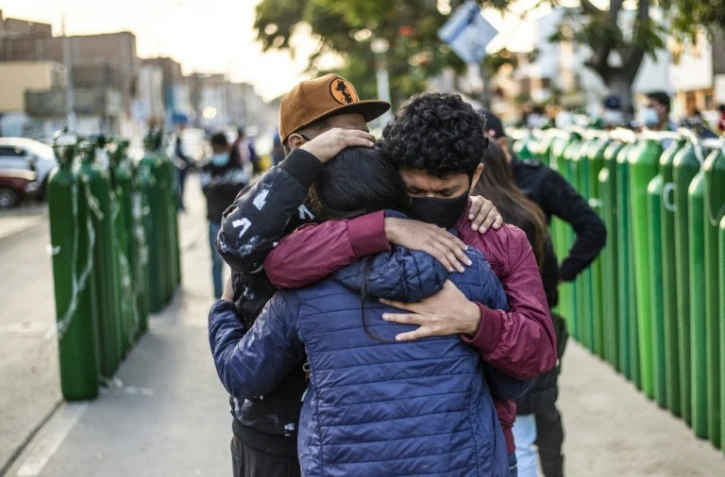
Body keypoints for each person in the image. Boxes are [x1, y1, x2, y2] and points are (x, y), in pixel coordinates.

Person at [212, 75, 503, 477]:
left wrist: (469, 202)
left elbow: (432, 197)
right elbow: (237, 243)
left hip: (347, 436)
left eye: (364, 133)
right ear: (301, 147)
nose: (363, 144)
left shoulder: (375, 194)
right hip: (275, 430)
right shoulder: (271, 201)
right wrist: (371, 225)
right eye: (342, 137)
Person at [257, 93, 559, 477]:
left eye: (446, 192)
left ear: (476, 177)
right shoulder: (361, 220)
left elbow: (539, 352)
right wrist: (380, 228)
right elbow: (282, 263)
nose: (430, 202)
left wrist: (475, 321)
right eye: (415, 191)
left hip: (479, 453)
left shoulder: (499, 240)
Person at [480, 110, 607, 477]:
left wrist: (559, 277)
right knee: (523, 425)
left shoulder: (535, 185)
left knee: (536, 420)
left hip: (530, 320)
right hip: (503, 324)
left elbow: (592, 229)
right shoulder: (467, 200)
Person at [200, 132, 249, 299]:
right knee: (216, 262)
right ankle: (219, 298)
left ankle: (237, 297)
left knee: (237, 263)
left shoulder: (236, 165)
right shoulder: (206, 167)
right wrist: (227, 187)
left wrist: (218, 187)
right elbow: (207, 191)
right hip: (215, 220)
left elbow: (242, 190)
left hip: (235, 221)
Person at [174, 120, 194, 210]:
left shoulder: (182, 138)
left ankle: (180, 203)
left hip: (183, 167)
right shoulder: (177, 138)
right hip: (180, 168)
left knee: (182, 187)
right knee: (180, 186)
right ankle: (179, 204)